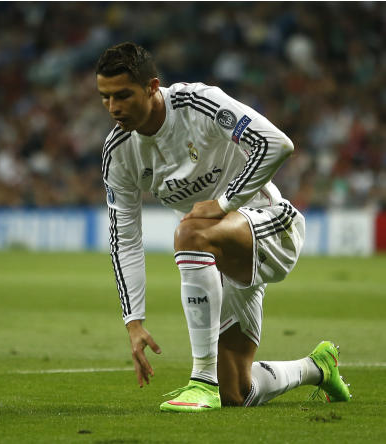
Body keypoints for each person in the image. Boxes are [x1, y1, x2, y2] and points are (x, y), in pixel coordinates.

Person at [96, 42, 350, 412]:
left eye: (123, 95)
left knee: (190, 230)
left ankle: (201, 380)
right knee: (237, 392)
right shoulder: (119, 150)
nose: (114, 108)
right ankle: (317, 367)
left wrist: (225, 203)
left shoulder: (198, 103)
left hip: (271, 227)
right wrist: (133, 322)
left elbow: (276, 143)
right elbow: (125, 239)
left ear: (152, 87)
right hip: (218, 258)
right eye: (104, 98)